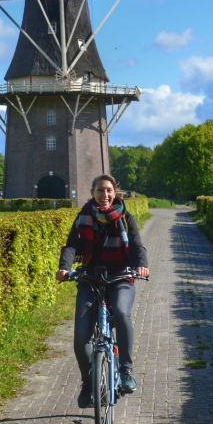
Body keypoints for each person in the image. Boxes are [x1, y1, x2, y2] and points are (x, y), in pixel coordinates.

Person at [56, 174, 149, 408]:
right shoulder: (83, 217)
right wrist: (64, 268)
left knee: (121, 311)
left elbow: (137, 244)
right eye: (100, 190)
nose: (104, 195)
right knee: (80, 334)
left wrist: (142, 265)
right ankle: (88, 382)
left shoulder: (125, 217)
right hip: (91, 277)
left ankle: (126, 372)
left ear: (115, 192)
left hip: (121, 275)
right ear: (92, 192)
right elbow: (71, 245)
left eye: (108, 190)